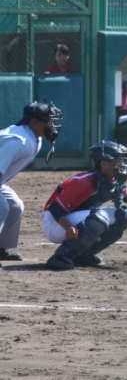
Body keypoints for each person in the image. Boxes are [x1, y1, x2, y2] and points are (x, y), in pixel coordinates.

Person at [42, 141, 127, 270]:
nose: (122, 164)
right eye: (118, 161)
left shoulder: (111, 180)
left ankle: (83, 255)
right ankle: (60, 257)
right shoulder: (84, 181)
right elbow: (54, 207)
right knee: (99, 218)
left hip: (70, 218)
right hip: (54, 223)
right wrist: (68, 227)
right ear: (104, 164)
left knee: (122, 215)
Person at [0, 101, 63, 266]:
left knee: (15, 206)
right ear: (34, 121)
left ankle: (1, 247)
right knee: (2, 206)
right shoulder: (17, 141)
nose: (52, 125)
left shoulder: (34, 138)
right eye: (48, 120)